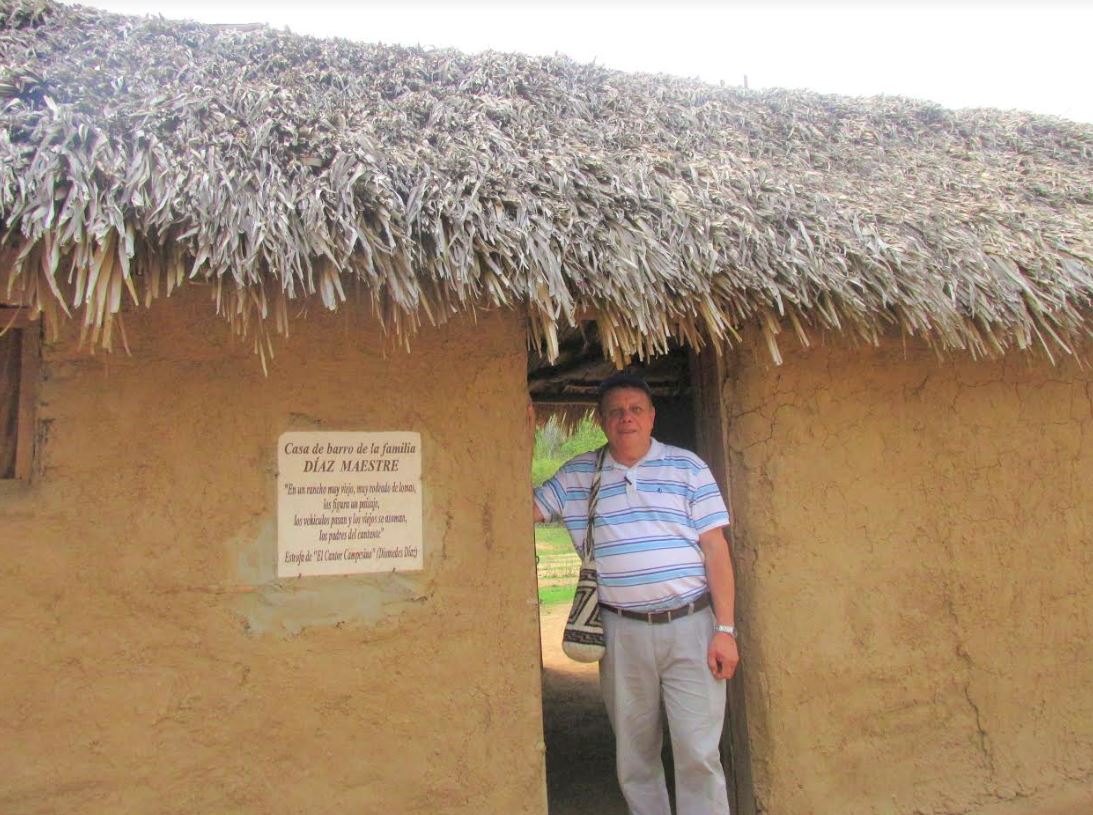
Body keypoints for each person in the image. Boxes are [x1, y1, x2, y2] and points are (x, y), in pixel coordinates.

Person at [533, 372, 739, 815]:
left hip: (693, 628)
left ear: (652, 417)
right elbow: (523, 508)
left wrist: (725, 629)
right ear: (601, 421)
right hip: (620, 632)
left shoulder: (688, 468)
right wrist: (513, 437)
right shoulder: (579, 474)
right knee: (635, 756)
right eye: (615, 412)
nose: (626, 418)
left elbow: (715, 549)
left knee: (699, 752)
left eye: (635, 409)